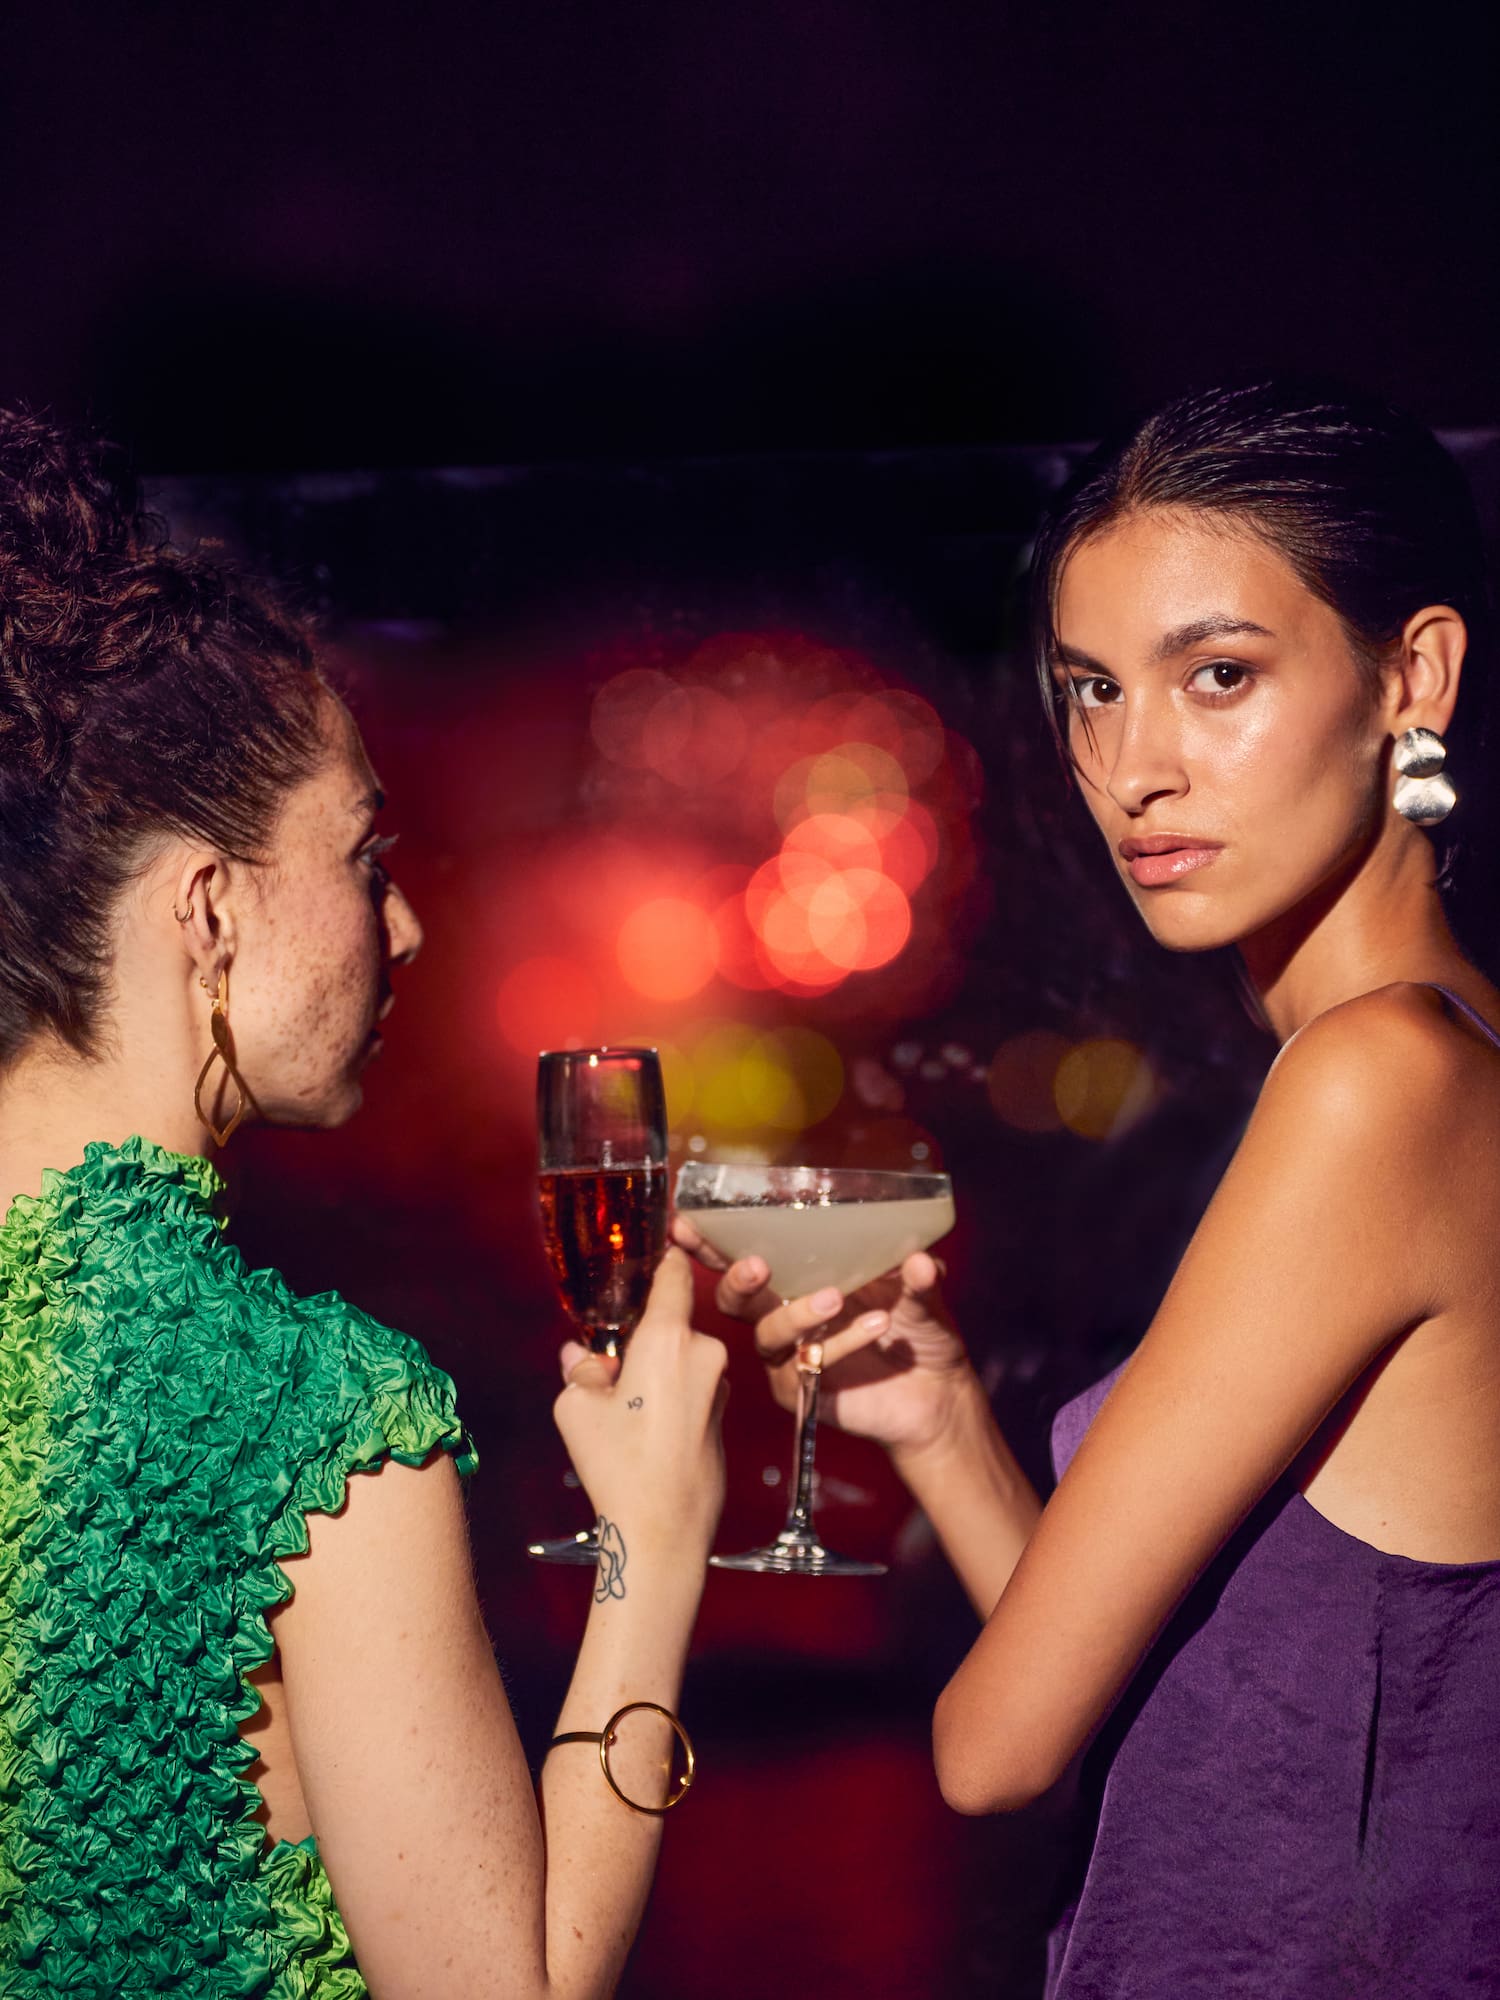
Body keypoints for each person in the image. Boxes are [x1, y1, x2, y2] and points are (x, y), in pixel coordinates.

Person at [679, 381, 1500, 1995]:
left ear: (1413, 676)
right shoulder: (1445, 1055)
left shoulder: (1376, 1082)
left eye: (1217, 677)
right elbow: (1188, 1710)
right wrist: (947, 1423)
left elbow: (994, 1754)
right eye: (1090, 692)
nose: (1132, 768)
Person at [0, 410, 729, 1998]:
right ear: (209, 907)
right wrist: (653, 1551)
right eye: (364, 853)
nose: (402, 927)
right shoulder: (305, 1415)